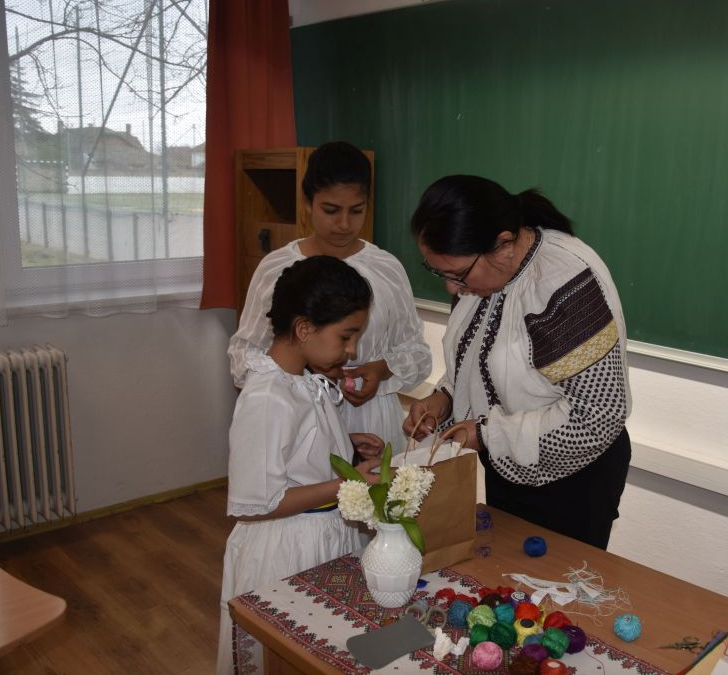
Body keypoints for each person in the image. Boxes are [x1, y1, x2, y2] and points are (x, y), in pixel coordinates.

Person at [404, 174, 631, 549]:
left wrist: (486, 435)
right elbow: (479, 357)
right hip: (507, 462)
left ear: (504, 245)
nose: (451, 288)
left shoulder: (563, 284)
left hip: (574, 478)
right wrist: (444, 398)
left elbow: (598, 414)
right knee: (507, 572)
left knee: (558, 579)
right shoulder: (479, 274)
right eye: (439, 272)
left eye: (457, 274)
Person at [217, 256, 383, 675]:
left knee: (328, 654)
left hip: (320, 535)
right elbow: (257, 503)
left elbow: (291, 449)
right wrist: (346, 484)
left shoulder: (302, 379)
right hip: (286, 550)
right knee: (291, 658)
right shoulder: (267, 396)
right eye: (346, 336)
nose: (352, 350)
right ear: (305, 328)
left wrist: (344, 446)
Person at [229, 141, 431, 453]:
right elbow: (245, 358)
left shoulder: (386, 268)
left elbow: (416, 352)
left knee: (377, 484)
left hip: (374, 419)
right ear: (307, 202)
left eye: (356, 210)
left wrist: (381, 369)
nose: (344, 224)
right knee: (313, 484)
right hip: (301, 417)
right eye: (331, 210)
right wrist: (306, 369)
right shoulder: (277, 268)